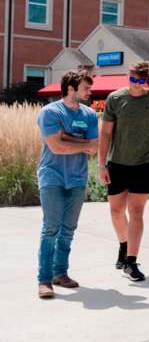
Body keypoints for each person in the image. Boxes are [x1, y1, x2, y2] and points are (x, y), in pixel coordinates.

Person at [98, 61, 149, 281]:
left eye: (141, 80)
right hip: (117, 163)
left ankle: (131, 261)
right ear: (128, 77)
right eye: (133, 80)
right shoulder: (115, 99)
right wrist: (102, 164)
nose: (136, 85)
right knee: (116, 211)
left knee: (136, 212)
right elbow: (106, 134)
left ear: (146, 80)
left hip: (144, 164)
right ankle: (123, 245)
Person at [35, 69, 98, 298]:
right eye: (86, 88)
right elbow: (55, 147)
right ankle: (44, 280)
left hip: (77, 179)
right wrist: (80, 143)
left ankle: (60, 273)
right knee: (51, 228)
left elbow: (95, 146)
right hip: (52, 176)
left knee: (68, 230)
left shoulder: (90, 114)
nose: (90, 92)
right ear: (71, 88)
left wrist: (66, 137)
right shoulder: (50, 112)